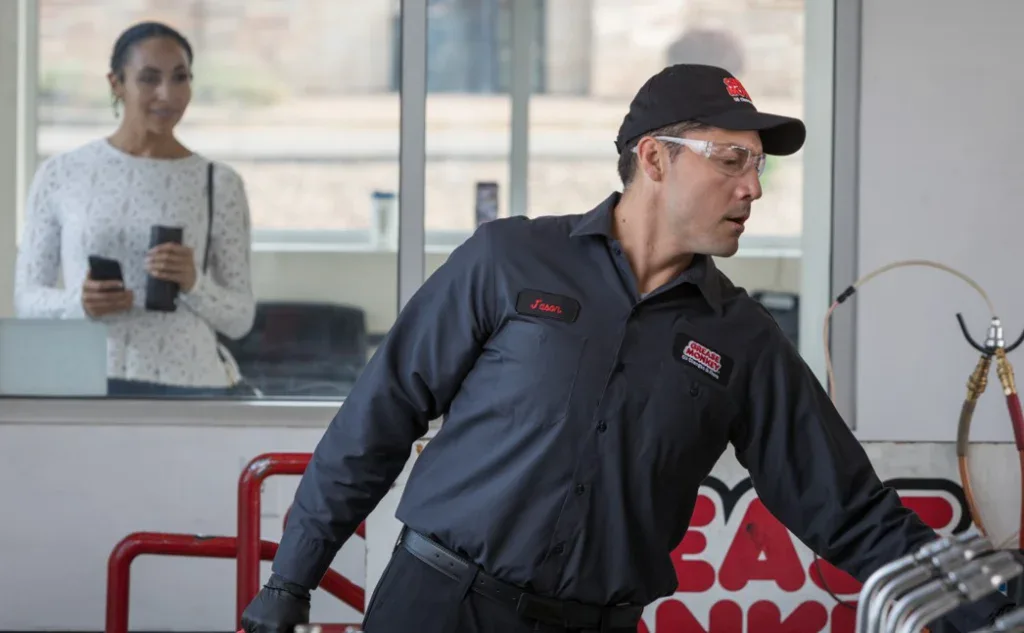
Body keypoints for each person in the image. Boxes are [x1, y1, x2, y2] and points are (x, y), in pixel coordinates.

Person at [241, 65, 1017, 632]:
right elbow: (376, 421)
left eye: (760, 165)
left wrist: (980, 594)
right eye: (732, 160)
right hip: (438, 606)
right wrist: (291, 580)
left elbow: (843, 504)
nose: (753, 188)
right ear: (655, 158)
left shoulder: (741, 337)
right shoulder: (507, 261)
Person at [14, 21, 256, 397]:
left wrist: (193, 283)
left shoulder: (220, 183)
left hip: (192, 389)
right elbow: (27, 299)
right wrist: (78, 303)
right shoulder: (61, 174)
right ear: (116, 84)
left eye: (180, 77)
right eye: (149, 78)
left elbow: (240, 318)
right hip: (82, 384)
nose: (167, 93)